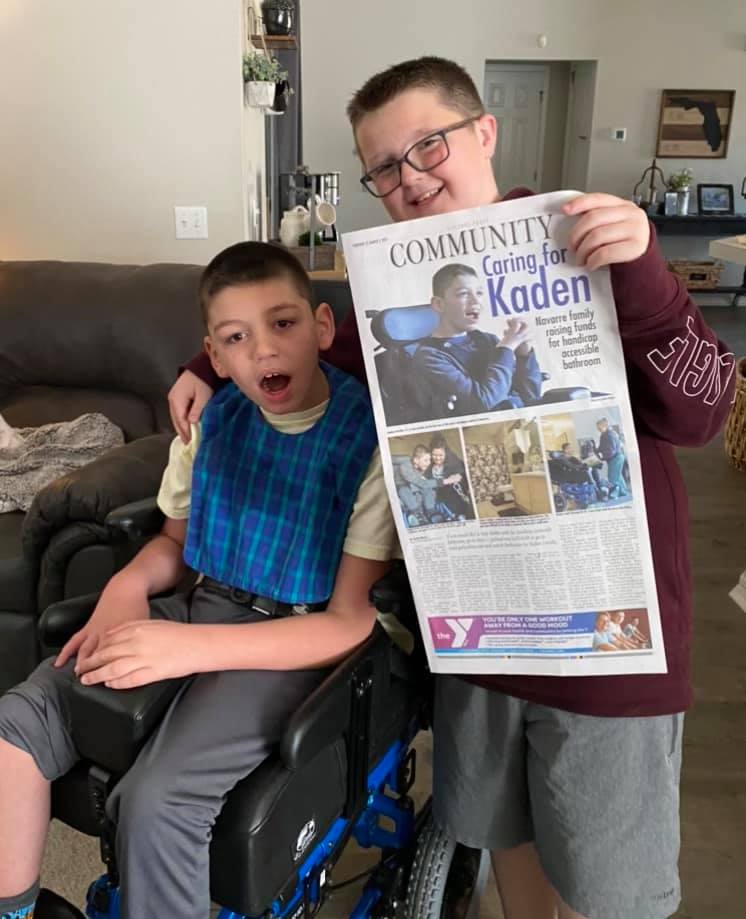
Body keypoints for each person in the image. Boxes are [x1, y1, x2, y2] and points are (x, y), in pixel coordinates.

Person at [167, 56, 735, 919]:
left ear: (484, 133)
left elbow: (702, 413)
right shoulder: (391, 294)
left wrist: (647, 274)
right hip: (477, 641)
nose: (410, 177)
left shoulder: (599, 243)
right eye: (384, 167)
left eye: (428, 145)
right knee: (504, 841)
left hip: (608, 648)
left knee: (612, 891)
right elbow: (302, 365)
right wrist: (201, 369)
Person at [0, 242, 397, 919]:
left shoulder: (369, 441)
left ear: (323, 328)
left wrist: (191, 651)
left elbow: (350, 621)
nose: (264, 352)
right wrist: (127, 587)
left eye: (283, 324)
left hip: (292, 640)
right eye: (237, 339)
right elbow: (175, 545)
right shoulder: (207, 424)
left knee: (157, 801)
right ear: (214, 357)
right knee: (19, 716)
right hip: (200, 603)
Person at [410, 263, 542, 420]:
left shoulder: (487, 340)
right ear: (439, 304)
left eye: (479, 293)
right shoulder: (429, 356)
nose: (476, 302)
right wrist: (506, 347)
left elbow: (531, 396)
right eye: (463, 294)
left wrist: (523, 354)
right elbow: (484, 404)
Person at [396, 443, 440, 526]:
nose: (429, 463)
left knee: (427, 489)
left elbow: (422, 481)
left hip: (415, 485)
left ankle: (431, 511)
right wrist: (443, 481)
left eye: (429, 460)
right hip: (404, 486)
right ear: (416, 460)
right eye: (426, 460)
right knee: (404, 491)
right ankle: (417, 513)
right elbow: (419, 482)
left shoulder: (421, 466)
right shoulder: (405, 466)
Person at [428, 437, 472, 520]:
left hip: (453, 491)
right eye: (434, 455)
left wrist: (456, 477)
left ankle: (458, 514)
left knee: (453, 490)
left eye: (440, 455)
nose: (437, 458)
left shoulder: (453, 460)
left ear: (445, 452)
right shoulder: (429, 463)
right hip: (440, 492)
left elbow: (460, 475)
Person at [595, 417, 629, 498]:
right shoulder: (603, 435)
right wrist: (595, 450)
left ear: (605, 426)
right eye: (597, 428)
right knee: (618, 476)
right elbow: (602, 447)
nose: (598, 429)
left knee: (612, 477)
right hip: (615, 458)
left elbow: (611, 450)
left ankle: (614, 494)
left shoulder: (610, 434)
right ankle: (623, 491)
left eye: (599, 427)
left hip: (616, 457)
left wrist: (601, 457)